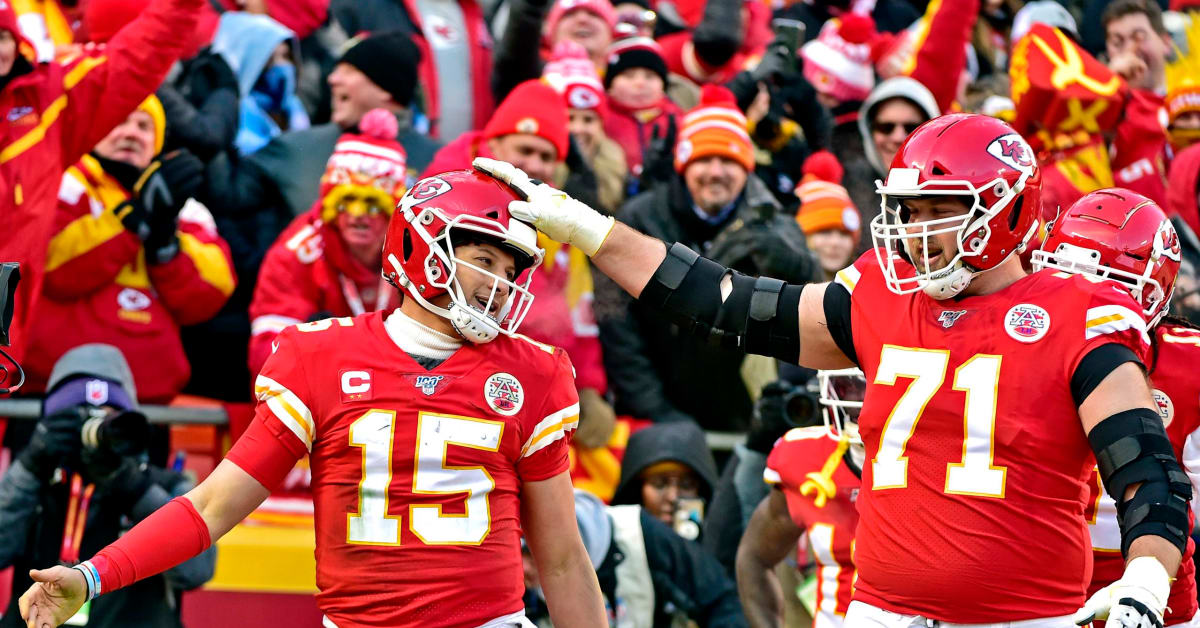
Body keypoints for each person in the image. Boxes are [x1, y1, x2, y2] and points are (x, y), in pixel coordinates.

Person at [473, 110, 1192, 625]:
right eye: (907, 210)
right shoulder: (882, 288)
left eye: (937, 210)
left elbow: (1144, 467)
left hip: (1022, 619)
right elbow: (726, 303)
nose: (914, 231)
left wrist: (1145, 579)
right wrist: (592, 229)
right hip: (878, 613)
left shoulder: (1077, 310)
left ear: (1005, 210)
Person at [18, 170, 607, 628]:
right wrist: (92, 576)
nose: (500, 285)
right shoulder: (321, 356)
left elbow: (561, 558)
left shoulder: (534, 372)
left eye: (509, 268)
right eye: (484, 260)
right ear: (423, 248)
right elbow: (211, 508)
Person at [595, 85, 817, 432]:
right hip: (658, 413)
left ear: (747, 168)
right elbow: (616, 320)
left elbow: (811, 305)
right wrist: (657, 410)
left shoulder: (774, 223)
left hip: (748, 418)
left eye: (729, 160)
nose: (716, 172)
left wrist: (786, 260)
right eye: (704, 160)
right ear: (684, 165)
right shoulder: (640, 219)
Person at [0, 0, 204, 366]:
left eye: (3, 37)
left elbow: (136, 57)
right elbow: (62, 267)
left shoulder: (47, 105)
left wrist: (160, 237)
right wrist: (133, 220)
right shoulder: (74, 184)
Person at [1031, 188, 1200, 626]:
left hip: (1152, 588)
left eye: (1108, 285)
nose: (1086, 301)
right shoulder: (1012, 341)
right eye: (1065, 276)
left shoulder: (1188, 366)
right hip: (1030, 587)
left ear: (1154, 297)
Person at [21, 98, 236, 404]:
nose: (132, 133)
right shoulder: (62, 181)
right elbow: (53, 265)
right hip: (52, 398)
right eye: (119, 121)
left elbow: (213, 291)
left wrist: (166, 244)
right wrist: (133, 219)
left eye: (144, 126)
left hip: (149, 407)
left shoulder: (184, 208)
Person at [0, 344, 215, 627]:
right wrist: (31, 464)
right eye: (79, 417)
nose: (93, 432)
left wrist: (133, 487)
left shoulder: (164, 484)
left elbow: (197, 571)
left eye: (107, 420)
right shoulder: (35, 479)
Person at [248, 109, 406, 376]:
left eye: (371, 205)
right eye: (345, 202)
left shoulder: (414, 251)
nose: (356, 215)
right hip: (322, 392)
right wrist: (310, 347)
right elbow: (266, 358)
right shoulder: (297, 253)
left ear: (392, 212)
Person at [737, 369, 866, 628]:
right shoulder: (806, 459)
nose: (864, 399)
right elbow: (753, 559)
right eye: (853, 386)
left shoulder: (952, 458)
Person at [524, 489, 747, 627]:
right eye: (517, 552)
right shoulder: (520, 583)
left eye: (532, 553)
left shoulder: (640, 532)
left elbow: (721, 599)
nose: (523, 568)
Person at [421, 79, 568, 185]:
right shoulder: (444, 185)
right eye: (525, 151)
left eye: (546, 157)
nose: (534, 166)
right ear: (494, 142)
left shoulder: (559, 209)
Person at [611, 421, 718, 534]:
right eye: (659, 484)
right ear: (637, 491)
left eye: (686, 485)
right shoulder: (605, 546)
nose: (672, 497)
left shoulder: (720, 549)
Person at [793, 153, 861, 281]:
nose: (835, 243)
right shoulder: (779, 291)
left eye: (844, 234)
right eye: (824, 232)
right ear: (801, 235)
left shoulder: (865, 288)